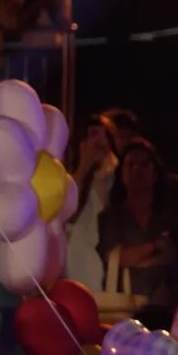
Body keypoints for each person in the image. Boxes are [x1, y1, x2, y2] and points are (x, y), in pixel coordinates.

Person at [96, 138, 178, 308]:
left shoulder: (169, 215)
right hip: (125, 305)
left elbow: (174, 255)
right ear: (121, 173)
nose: (137, 170)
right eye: (131, 165)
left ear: (155, 172)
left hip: (166, 306)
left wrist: (140, 260)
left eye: (144, 164)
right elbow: (120, 258)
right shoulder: (110, 217)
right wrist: (155, 246)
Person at [65, 113, 119, 292]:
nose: (99, 142)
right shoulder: (69, 180)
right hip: (76, 266)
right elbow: (68, 214)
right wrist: (84, 167)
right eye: (93, 135)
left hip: (106, 269)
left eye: (105, 136)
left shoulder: (116, 176)